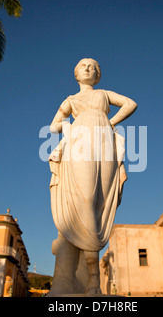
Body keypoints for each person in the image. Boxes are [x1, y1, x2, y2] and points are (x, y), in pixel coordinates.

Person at [48, 58, 137, 295]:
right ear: (76, 74)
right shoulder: (71, 100)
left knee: (99, 201)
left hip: (104, 142)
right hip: (78, 143)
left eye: (93, 66)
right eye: (83, 65)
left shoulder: (104, 95)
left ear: (97, 74)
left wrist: (110, 121)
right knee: (85, 198)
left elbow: (130, 104)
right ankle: (93, 281)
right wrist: (67, 126)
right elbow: (53, 126)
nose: (88, 68)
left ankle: (92, 282)